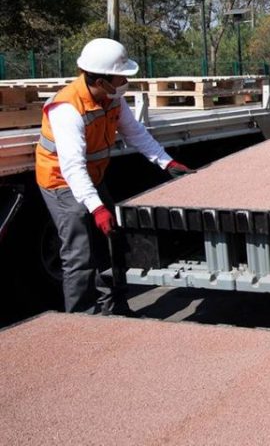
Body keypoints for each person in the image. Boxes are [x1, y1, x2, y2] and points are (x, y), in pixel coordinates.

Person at [35, 38, 195, 315]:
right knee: (79, 254)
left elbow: (136, 134)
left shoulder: (112, 99)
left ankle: (116, 310)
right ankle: (81, 321)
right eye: (120, 77)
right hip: (61, 183)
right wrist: (96, 208)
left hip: (92, 179)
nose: (124, 82)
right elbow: (72, 167)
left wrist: (166, 162)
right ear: (101, 79)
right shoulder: (67, 109)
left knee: (111, 243)